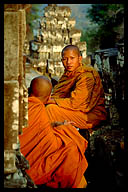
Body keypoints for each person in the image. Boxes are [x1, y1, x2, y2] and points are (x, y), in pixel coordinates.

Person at [19, 76, 88, 188]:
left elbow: (36, 130)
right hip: (30, 164)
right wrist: (64, 128)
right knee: (71, 150)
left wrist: (56, 125)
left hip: (15, 155)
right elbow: (47, 142)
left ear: (29, 89)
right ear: (49, 97)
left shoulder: (20, 104)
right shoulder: (39, 109)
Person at [46, 45, 107, 131]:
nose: (68, 62)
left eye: (72, 58)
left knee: (51, 109)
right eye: (65, 59)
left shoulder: (87, 77)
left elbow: (76, 103)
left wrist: (52, 100)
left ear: (79, 59)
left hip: (90, 116)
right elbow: (59, 94)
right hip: (76, 110)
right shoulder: (68, 74)